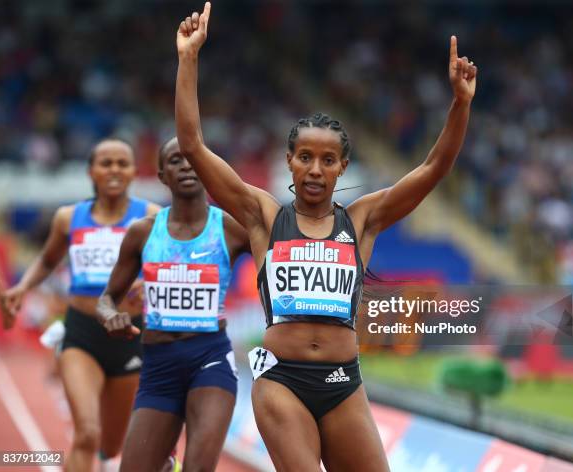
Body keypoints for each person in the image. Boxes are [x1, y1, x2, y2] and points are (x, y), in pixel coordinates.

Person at [175, 4, 477, 470]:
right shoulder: (262, 215)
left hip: (344, 383)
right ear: (290, 161)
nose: (316, 169)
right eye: (306, 157)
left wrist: (460, 104)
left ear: (343, 167)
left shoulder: (362, 220)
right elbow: (193, 145)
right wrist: (189, 58)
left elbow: (434, 168)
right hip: (281, 380)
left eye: (328, 160)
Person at [1, 139, 160, 472]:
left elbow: (169, 263)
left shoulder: (150, 216)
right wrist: (23, 287)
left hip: (130, 335)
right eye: (106, 163)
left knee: (111, 444)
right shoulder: (68, 217)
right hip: (81, 334)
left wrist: (148, 281)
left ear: (133, 171)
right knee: (86, 433)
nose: (114, 169)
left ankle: (103, 461)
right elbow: (46, 260)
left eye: (122, 163)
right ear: (91, 171)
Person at [97, 137, 249, 472]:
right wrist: (111, 316)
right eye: (176, 160)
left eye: (193, 158)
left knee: (199, 467)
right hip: (158, 368)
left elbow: (278, 256)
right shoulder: (143, 233)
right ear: (162, 174)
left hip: (210, 360)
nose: (186, 166)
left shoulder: (231, 229)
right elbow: (107, 299)